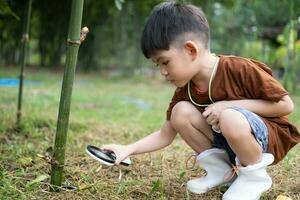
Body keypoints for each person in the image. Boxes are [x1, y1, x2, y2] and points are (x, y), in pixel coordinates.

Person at [101, 1, 300, 199]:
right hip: (229, 143)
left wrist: (229, 106)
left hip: (264, 142)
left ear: (190, 50)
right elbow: (165, 135)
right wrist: (128, 149)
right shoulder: (185, 88)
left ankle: (254, 177)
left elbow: (285, 105)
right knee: (180, 112)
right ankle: (221, 172)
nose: (162, 71)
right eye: (157, 65)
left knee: (229, 116)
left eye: (165, 62)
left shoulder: (239, 69)